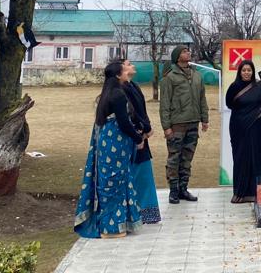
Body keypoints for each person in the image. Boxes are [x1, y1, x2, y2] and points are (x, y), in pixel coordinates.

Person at [74, 60, 144, 238]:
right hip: (116, 143)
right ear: (118, 75)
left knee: (110, 180)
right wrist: (138, 138)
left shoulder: (107, 93)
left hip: (108, 142)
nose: (128, 71)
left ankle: (115, 224)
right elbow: (124, 123)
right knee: (115, 182)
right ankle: (111, 228)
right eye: (124, 69)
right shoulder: (118, 94)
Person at [159, 45, 209, 204]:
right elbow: (164, 103)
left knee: (187, 158)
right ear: (177, 56)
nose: (188, 53)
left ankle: (183, 189)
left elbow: (202, 98)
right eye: (184, 51)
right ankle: (173, 191)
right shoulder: (170, 77)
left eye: (188, 51)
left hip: (193, 122)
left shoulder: (197, 75)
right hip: (177, 125)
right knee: (174, 158)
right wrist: (166, 127)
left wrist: (204, 119)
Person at [226, 59, 261, 203]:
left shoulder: (259, 85)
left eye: (249, 70)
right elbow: (229, 104)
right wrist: (244, 114)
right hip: (239, 127)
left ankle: (253, 193)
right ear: (240, 72)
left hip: (255, 128)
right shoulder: (234, 87)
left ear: (253, 71)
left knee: (255, 158)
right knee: (240, 158)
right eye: (244, 70)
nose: (247, 73)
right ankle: (239, 193)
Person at [121, 59, 161, 224]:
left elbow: (142, 110)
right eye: (128, 64)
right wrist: (142, 130)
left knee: (144, 173)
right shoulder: (121, 90)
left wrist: (147, 127)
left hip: (142, 133)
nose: (133, 66)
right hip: (135, 135)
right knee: (137, 173)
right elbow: (131, 113)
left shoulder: (134, 86)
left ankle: (149, 212)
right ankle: (138, 211)